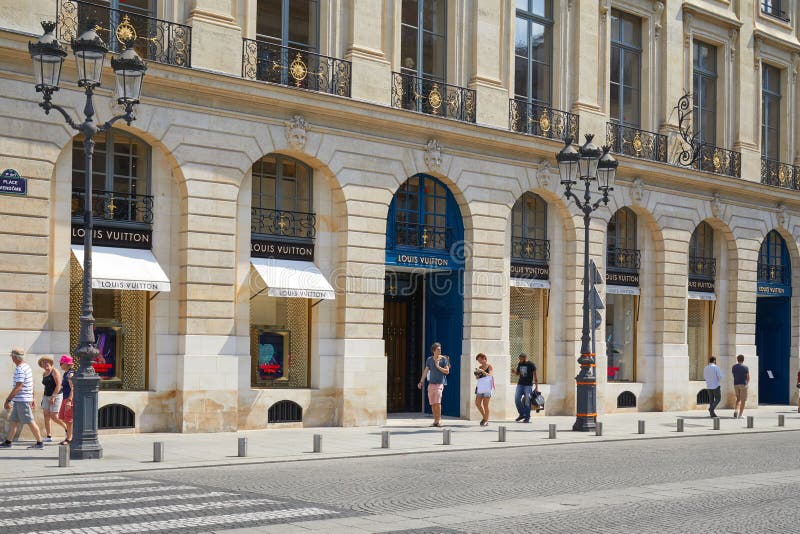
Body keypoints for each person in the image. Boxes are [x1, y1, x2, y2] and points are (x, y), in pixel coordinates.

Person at [1, 348, 44, 449]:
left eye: (12, 356)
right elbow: (31, 383)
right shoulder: (27, 367)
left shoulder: (20, 369)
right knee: (13, 421)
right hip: (21, 399)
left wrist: (8, 400)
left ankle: (40, 442)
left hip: (22, 400)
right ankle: (8, 442)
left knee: (30, 421)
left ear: (15, 357)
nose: (11, 358)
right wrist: (32, 397)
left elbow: (18, 386)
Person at [417, 342, 450, 427]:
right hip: (431, 384)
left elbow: (447, 371)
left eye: (440, 349)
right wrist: (421, 381)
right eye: (438, 349)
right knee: (433, 403)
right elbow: (426, 371)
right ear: (433, 351)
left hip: (439, 384)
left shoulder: (443, 359)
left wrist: (438, 366)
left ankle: (439, 420)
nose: (440, 350)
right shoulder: (429, 359)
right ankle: (435, 421)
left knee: (438, 402)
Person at [38, 355, 67, 443]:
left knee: (54, 416)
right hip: (46, 396)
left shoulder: (54, 371)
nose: (44, 364)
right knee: (46, 415)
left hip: (56, 395)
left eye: (46, 362)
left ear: (50, 363)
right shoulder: (44, 373)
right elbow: (46, 386)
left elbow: (58, 385)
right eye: (43, 363)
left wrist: (53, 397)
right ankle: (49, 435)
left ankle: (67, 429)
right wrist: (45, 398)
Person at [513, 353, 539, 423]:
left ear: (525, 358)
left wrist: (536, 387)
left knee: (527, 402)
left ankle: (527, 417)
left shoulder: (531, 364)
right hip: (520, 384)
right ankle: (522, 414)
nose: (520, 360)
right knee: (517, 399)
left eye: (521, 359)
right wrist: (514, 372)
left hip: (528, 385)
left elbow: (535, 376)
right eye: (519, 359)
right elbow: (518, 374)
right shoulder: (520, 364)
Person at [57, 355, 74, 445]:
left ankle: (69, 438)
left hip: (68, 398)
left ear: (67, 364)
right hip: (65, 397)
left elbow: (73, 388)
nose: (60, 365)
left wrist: (69, 400)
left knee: (69, 419)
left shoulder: (70, 374)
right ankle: (69, 436)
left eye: (61, 363)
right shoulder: (66, 373)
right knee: (64, 418)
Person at [473, 353, 493, 427]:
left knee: (485, 405)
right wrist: (477, 375)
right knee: (477, 403)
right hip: (480, 387)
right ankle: (485, 418)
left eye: (480, 360)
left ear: (484, 358)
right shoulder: (480, 367)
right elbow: (478, 378)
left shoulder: (489, 366)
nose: (479, 362)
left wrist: (483, 371)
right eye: (478, 360)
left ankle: (486, 420)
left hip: (487, 387)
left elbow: (490, 375)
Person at [731, 354, 750, 419]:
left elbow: (733, 375)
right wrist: (747, 384)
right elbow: (748, 377)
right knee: (743, 400)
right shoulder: (745, 367)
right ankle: (740, 414)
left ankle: (736, 410)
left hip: (736, 384)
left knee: (738, 399)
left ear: (737, 359)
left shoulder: (734, 367)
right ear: (743, 360)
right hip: (743, 384)